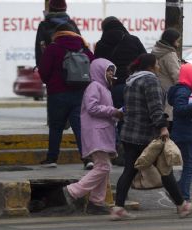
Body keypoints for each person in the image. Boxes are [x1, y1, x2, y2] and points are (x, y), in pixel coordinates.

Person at [110, 54, 192, 221]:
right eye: (157, 64)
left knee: (129, 171)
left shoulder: (131, 81)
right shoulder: (150, 80)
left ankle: (118, 208)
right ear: (151, 66)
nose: (159, 67)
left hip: (129, 133)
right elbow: (155, 109)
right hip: (146, 135)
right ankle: (182, 206)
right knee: (166, 170)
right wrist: (163, 127)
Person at [63, 58, 123, 215]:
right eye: (108, 70)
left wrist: (116, 114)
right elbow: (92, 107)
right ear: (99, 71)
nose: (111, 74)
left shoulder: (104, 89)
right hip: (96, 133)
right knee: (104, 167)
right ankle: (73, 191)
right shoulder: (94, 86)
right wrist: (113, 111)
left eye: (112, 71)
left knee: (103, 168)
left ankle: (96, 202)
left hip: (102, 133)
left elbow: (104, 110)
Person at [38, 23, 94, 169]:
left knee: (56, 127)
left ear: (57, 33)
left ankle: (52, 159)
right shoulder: (85, 48)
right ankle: (87, 159)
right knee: (79, 127)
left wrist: (51, 82)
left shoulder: (53, 48)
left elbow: (43, 72)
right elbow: (93, 67)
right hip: (80, 94)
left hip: (57, 94)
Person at [94, 16, 147, 166]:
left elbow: (96, 65)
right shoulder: (133, 40)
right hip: (133, 86)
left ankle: (115, 151)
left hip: (112, 88)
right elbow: (144, 60)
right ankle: (130, 153)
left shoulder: (101, 44)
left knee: (114, 119)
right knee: (132, 119)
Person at [168, 63, 192, 205]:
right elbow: (179, 110)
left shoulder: (190, 90)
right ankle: (184, 198)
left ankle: (176, 190)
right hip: (185, 135)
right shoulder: (183, 91)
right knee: (190, 166)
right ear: (187, 75)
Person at [151, 28, 181, 131]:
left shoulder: (155, 51)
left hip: (159, 90)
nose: (178, 44)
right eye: (177, 41)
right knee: (170, 126)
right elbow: (177, 76)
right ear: (172, 40)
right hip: (170, 94)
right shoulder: (169, 54)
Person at [35, 0, 80, 66]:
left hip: (51, 68)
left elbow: (39, 49)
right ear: (65, 9)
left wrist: (40, 67)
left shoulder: (44, 25)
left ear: (50, 9)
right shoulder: (71, 24)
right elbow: (81, 46)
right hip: (72, 69)